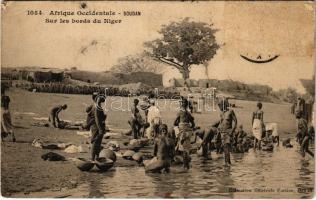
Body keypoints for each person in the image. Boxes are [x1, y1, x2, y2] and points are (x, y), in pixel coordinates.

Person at [212, 98, 237, 166]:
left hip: (228, 131)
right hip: (221, 131)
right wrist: (218, 130)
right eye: (219, 106)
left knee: (226, 147)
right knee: (222, 147)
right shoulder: (221, 113)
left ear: (224, 105)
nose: (219, 108)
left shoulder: (230, 111)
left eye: (220, 106)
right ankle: (227, 162)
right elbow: (221, 122)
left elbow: (235, 121)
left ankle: (227, 163)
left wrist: (232, 130)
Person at [174, 98, 195, 169]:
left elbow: (175, 123)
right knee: (186, 149)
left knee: (183, 148)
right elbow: (193, 124)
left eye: (183, 103)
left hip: (183, 131)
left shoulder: (180, 112)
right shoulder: (188, 113)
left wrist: (178, 127)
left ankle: (185, 165)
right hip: (187, 131)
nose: (182, 104)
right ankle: (186, 165)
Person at [90, 95, 107, 161]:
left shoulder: (98, 106)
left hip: (99, 126)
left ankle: (96, 157)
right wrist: (100, 129)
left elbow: (99, 118)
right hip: (96, 127)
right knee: (95, 142)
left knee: (98, 143)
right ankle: (92, 158)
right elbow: (97, 119)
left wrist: (104, 117)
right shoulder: (96, 107)